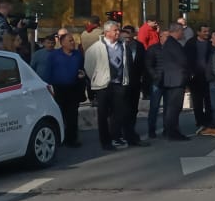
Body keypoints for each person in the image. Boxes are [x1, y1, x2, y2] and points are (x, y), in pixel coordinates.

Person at [83, 20, 131, 151]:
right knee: (103, 114)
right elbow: (89, 66)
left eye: (118, 30)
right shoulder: (96, 48)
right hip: (103, 85)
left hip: (119, 83)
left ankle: (116, 136)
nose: (118, 32)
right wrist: (97, 76)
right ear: (107, 32)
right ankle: (105, 141)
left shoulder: (123, 45)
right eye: (115, 30)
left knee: (118, 112)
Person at [48, 32, 86, 147]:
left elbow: (82, 69)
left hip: (73, 88)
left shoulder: (78, 55)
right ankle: (60, 138)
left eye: (73, 40)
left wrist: (82, 75)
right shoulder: (54, 55)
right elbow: (48, 72)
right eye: (70, 41)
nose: (73, 42)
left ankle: (72, 139)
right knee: (60, 115)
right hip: (58, 89)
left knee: (73, 115)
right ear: (62, 43)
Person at [118, 25, 149, 146]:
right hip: (122, 84)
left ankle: (131, 130)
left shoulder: (139, 46)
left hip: (135, 83)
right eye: (125, 35)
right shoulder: (119, 47)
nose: (128, 37)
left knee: (133, 109)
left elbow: (143, 64)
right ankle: (124, 133)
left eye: (129, 34)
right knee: (123, 109)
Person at [160, 23, 191, 141]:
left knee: (172, 108)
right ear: (177, 31)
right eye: (182, 31)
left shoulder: (171, 43)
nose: (183, 33)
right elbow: (182, 61)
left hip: (172, 79)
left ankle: (170, 131)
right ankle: (172, 132)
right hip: (176, 80)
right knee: (174, 108)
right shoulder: (173, 44)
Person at [184, 24, 212, 133]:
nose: (207, 33)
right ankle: (199, 121)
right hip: (195, 77)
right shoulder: (190, 43)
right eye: (204, 31)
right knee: (197, 101)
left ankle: (208, 120)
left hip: (208, 76)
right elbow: (186, 60)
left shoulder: (210, 43)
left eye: (208, 31)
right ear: (198, 32)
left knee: (209, 100)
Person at [144, 29, 166, 139]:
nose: (168, 38)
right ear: (160, 36)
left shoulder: (171, 49)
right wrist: (155, 76)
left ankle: (168, 128)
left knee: (168, 108)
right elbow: (149, 65)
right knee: (154, 107)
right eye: (165, 36)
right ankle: (151, 130)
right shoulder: (153, 49)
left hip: (169, 82)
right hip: (157, 83)